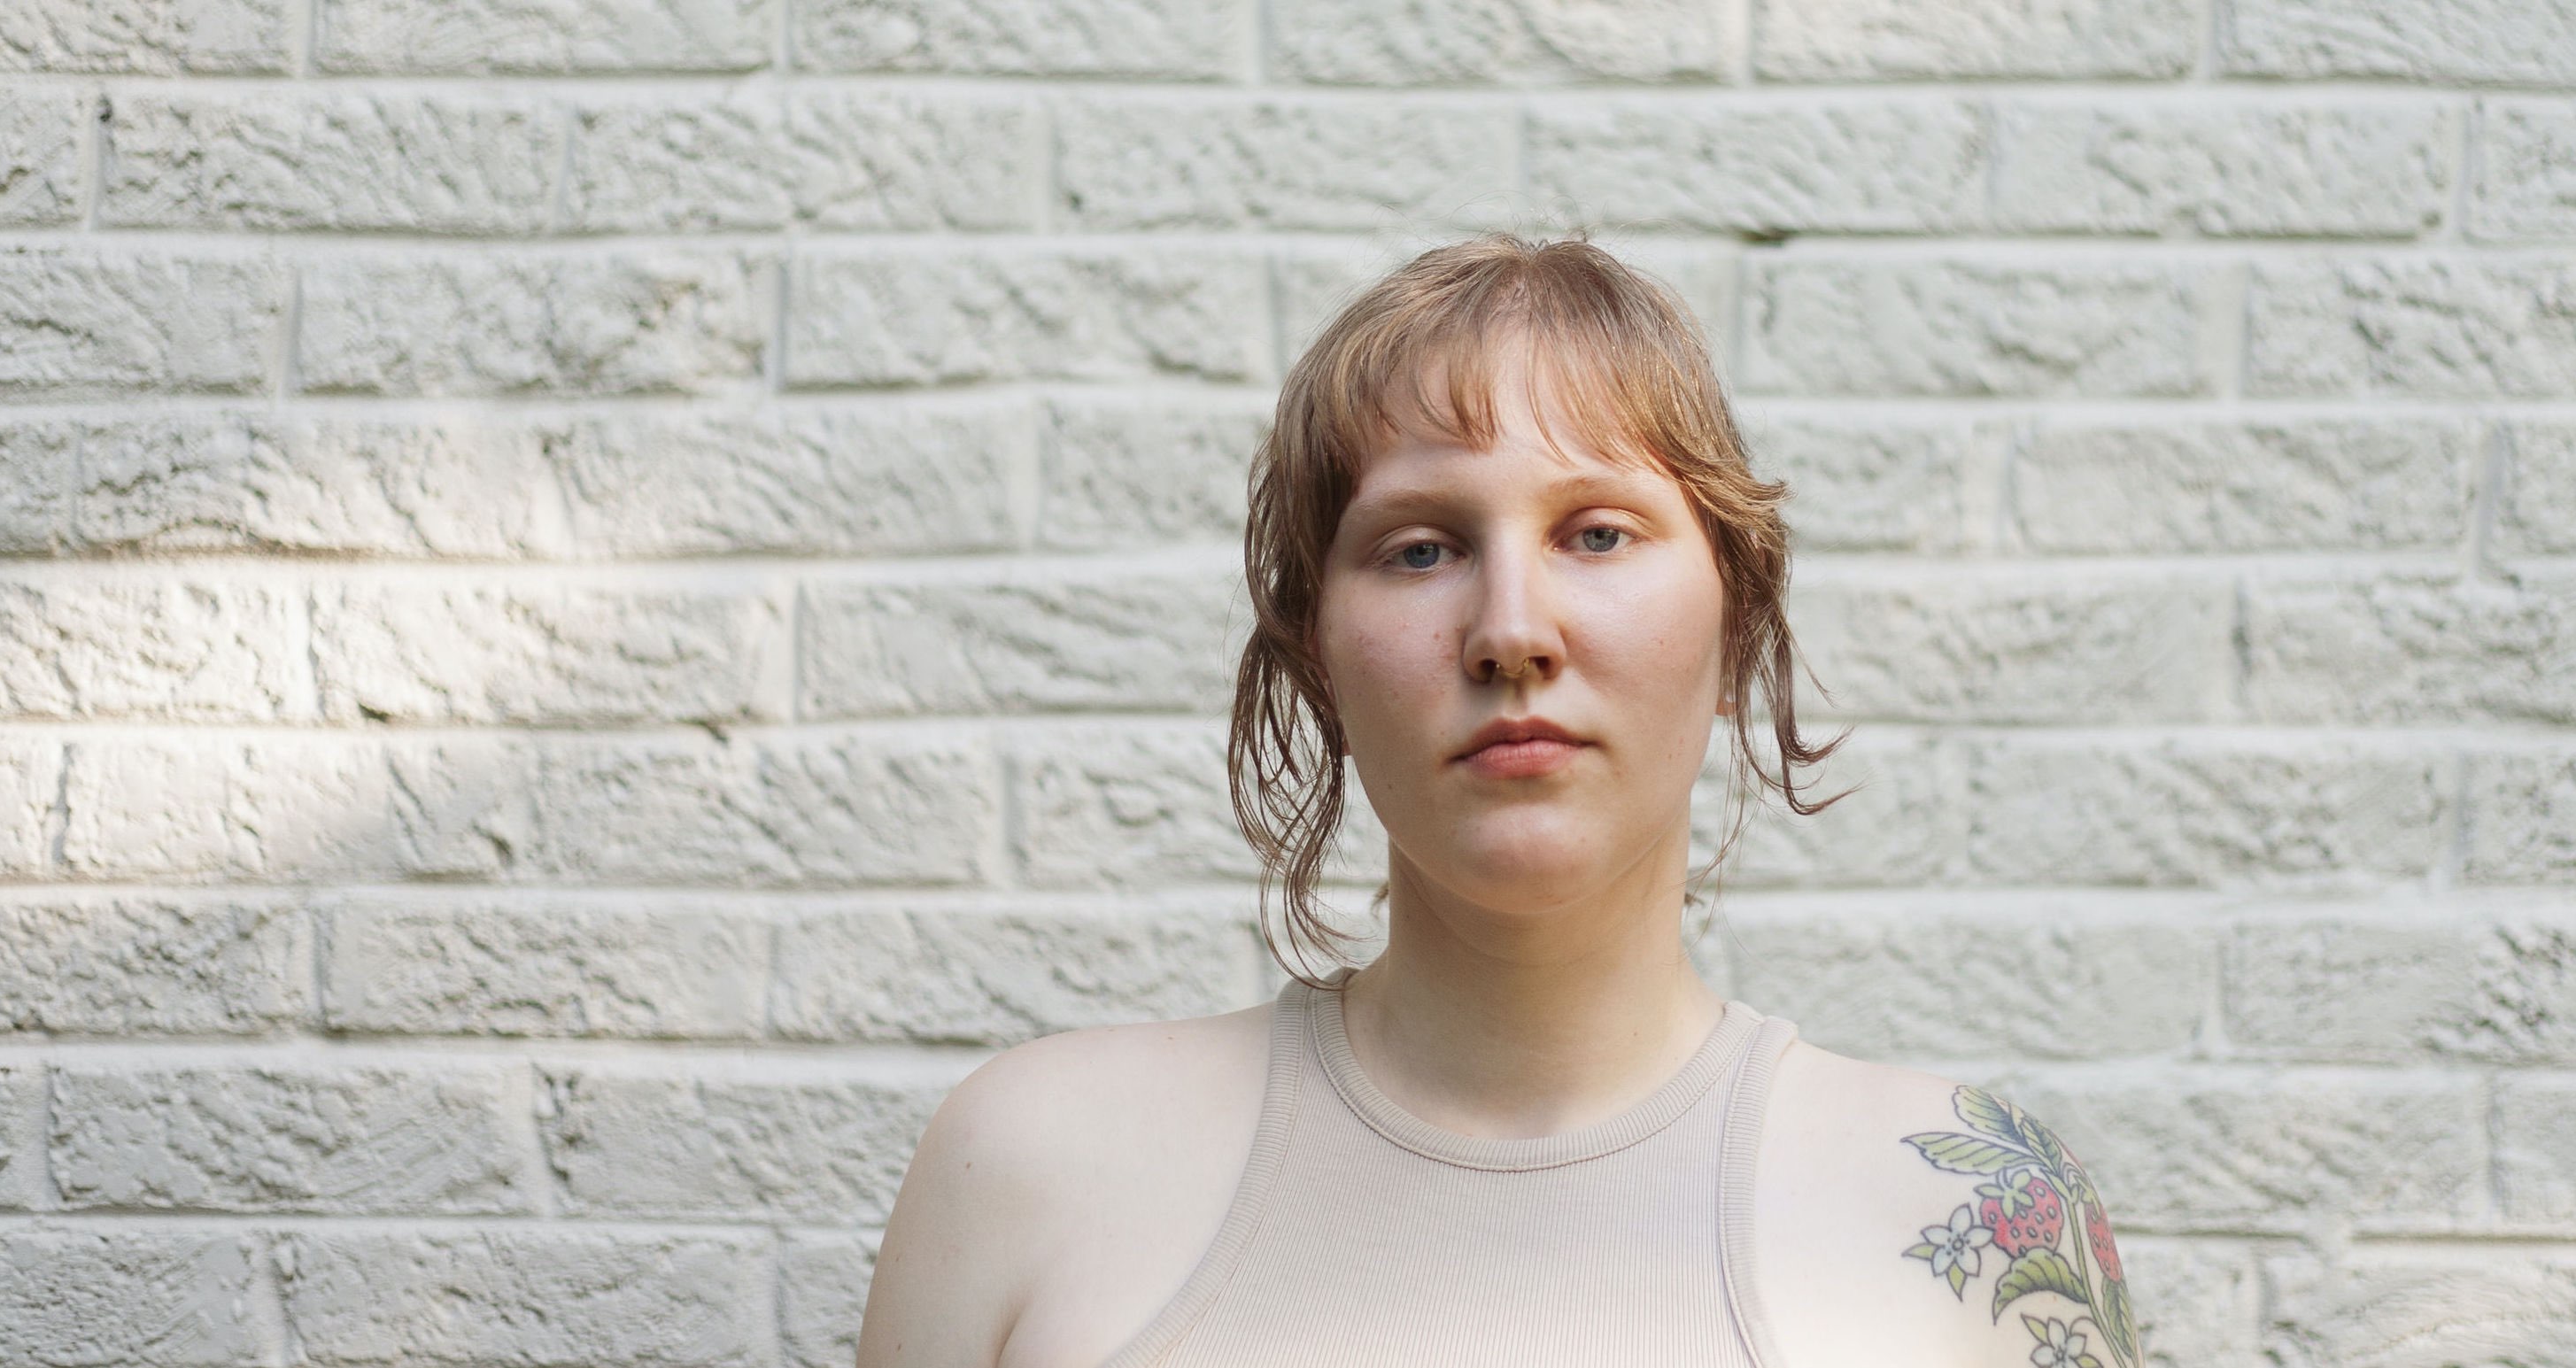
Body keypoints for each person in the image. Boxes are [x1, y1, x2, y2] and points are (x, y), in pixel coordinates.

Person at [857, 236, 2144, 1368]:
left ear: (1733, 628)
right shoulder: (1027, 1167)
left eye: (1596, 533)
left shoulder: (1966, 1205)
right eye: (1420, 548)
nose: (1510, 631)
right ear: (1316, 653)